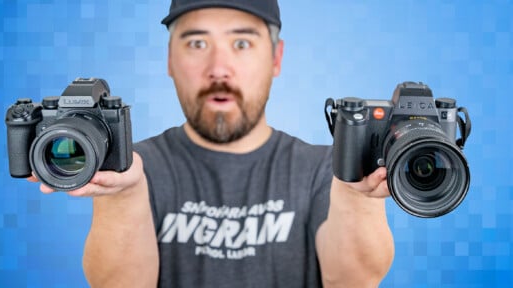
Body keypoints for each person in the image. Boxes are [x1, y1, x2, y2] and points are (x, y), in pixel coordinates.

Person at [30, 0, 394, 287]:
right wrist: (123, 195)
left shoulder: (328, 171)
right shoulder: (132, 168)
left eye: (241, 43)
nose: (219, 68)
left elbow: (353, 283)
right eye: (197, 43)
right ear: (170, 58)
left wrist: (355, 196)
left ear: (276, 58)